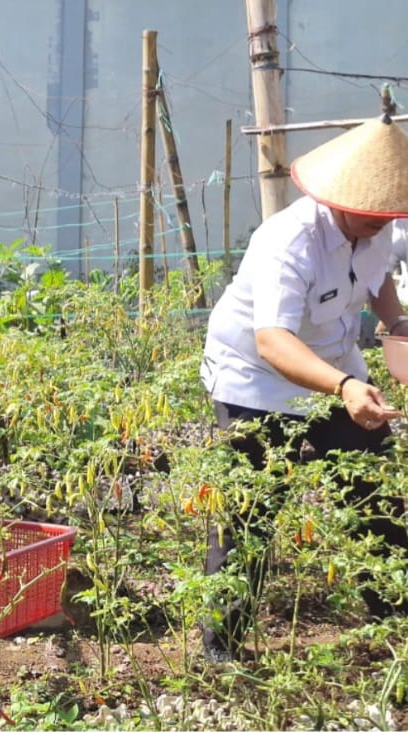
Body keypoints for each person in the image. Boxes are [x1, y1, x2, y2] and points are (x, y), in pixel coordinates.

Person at [200, 114, 408, 663]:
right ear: (340, 199)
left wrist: (398, 325)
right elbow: (272, 341)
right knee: (250, 509)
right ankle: (223, 648)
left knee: (375, 494)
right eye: (373, 214)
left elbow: (379, 275)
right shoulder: (287, 241)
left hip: (334, 366)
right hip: (257, 379)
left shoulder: (377, 227)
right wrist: (343, 387)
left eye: (390, 212)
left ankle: (395, 617)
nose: (383, 222)